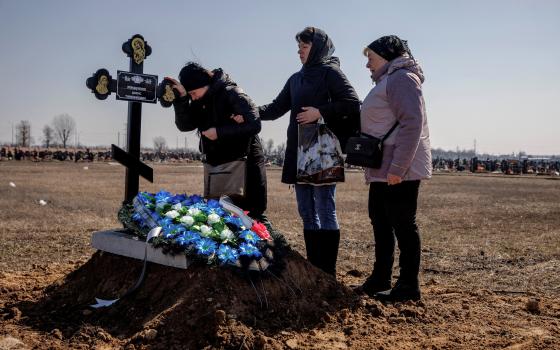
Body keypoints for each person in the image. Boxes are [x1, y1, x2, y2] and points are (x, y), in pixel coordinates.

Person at [247, 27, 360, 276]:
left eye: (304, 47)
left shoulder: (331, 73)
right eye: (298, 47)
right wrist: (246, 109)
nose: (299, 51)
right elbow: (276, 108)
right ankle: (314, 267)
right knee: (306, 211)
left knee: (324, 209)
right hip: (298, 151)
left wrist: (320, 111)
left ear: (317, 47)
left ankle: (327, 271)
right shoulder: (295, 79)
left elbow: (352, 103)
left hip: (323, 149)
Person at [355, 35, 432, 301]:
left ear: (387, 57)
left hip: (399, 168)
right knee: (380, 221)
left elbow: (412, 123)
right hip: (382, 167)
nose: (367, 65)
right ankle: (380, 278)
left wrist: (398, 168)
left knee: (402, 224)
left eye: (371, 58)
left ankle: (408, 286)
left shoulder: (402, 79)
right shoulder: (389, 79)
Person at [166, 62, 268, 221]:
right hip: (218, 166)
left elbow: (255, 124)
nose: (194, 97)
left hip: (244, 166)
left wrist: (219, 133)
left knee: (251, 216)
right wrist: (182, 99)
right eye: (190, 94)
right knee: (220, 216)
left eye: (193, 92)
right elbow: (185, 125)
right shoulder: (200, 101)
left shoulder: (231, 92)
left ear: (203, 83)